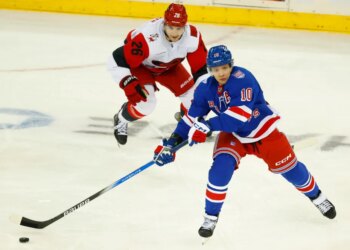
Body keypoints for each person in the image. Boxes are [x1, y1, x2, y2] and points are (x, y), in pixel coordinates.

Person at [153, 45, 336, 238]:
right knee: (219, 170)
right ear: (210, 70)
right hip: (234, 137)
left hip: (262, 130)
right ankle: (210, 217)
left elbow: (237, 117)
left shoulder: (243, 79)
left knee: (291, 170)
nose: (221, 73)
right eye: (216, 69)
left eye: (224, 67)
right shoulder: (205, 88)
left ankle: (317, 197)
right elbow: (191, 118)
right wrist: (171, 143)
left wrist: (206, 126)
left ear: (231, 65)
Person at [107, 3, 209, 145]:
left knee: (196, 99)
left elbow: (201, 69)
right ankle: (121, 118)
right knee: (146, 104)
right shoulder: (148, 37)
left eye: (179, 28)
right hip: (141, 66)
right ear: (164, 24)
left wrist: (204, 92)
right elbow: (117, 58)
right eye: (171, 27)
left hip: (169, 67)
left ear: (184, 26)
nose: (174, 32)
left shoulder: (192, 37)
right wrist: (127, 81)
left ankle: (186, 118)